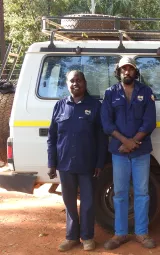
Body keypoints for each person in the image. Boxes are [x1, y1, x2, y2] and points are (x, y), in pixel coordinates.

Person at [47, 70, 108, 252]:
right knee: (69, 202)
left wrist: (99, 163)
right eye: (72, 81)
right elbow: (52, 137)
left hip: (87, 164)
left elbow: (101, 138)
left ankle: (88, 237)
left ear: (85, 83)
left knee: (88, 203)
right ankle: (71, 237)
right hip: (65, 164)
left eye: (79, 80)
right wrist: (52, 163)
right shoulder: (59, 106)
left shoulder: (95, 106)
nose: (75, 84)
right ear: (67, 84)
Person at [101, 56, 156, 250]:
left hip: (141, 151)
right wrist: (125, 142)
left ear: (135, 72)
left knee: (142, 193)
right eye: (123, 69)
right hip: (119, 151)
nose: (127, 72)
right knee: (120, 193)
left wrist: (134, 142)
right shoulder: (110, 93)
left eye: (130, 69)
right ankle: (120, 233)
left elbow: (150, 122)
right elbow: (107, 124)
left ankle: (142, 233)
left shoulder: (146, 91)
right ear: (118, 72)